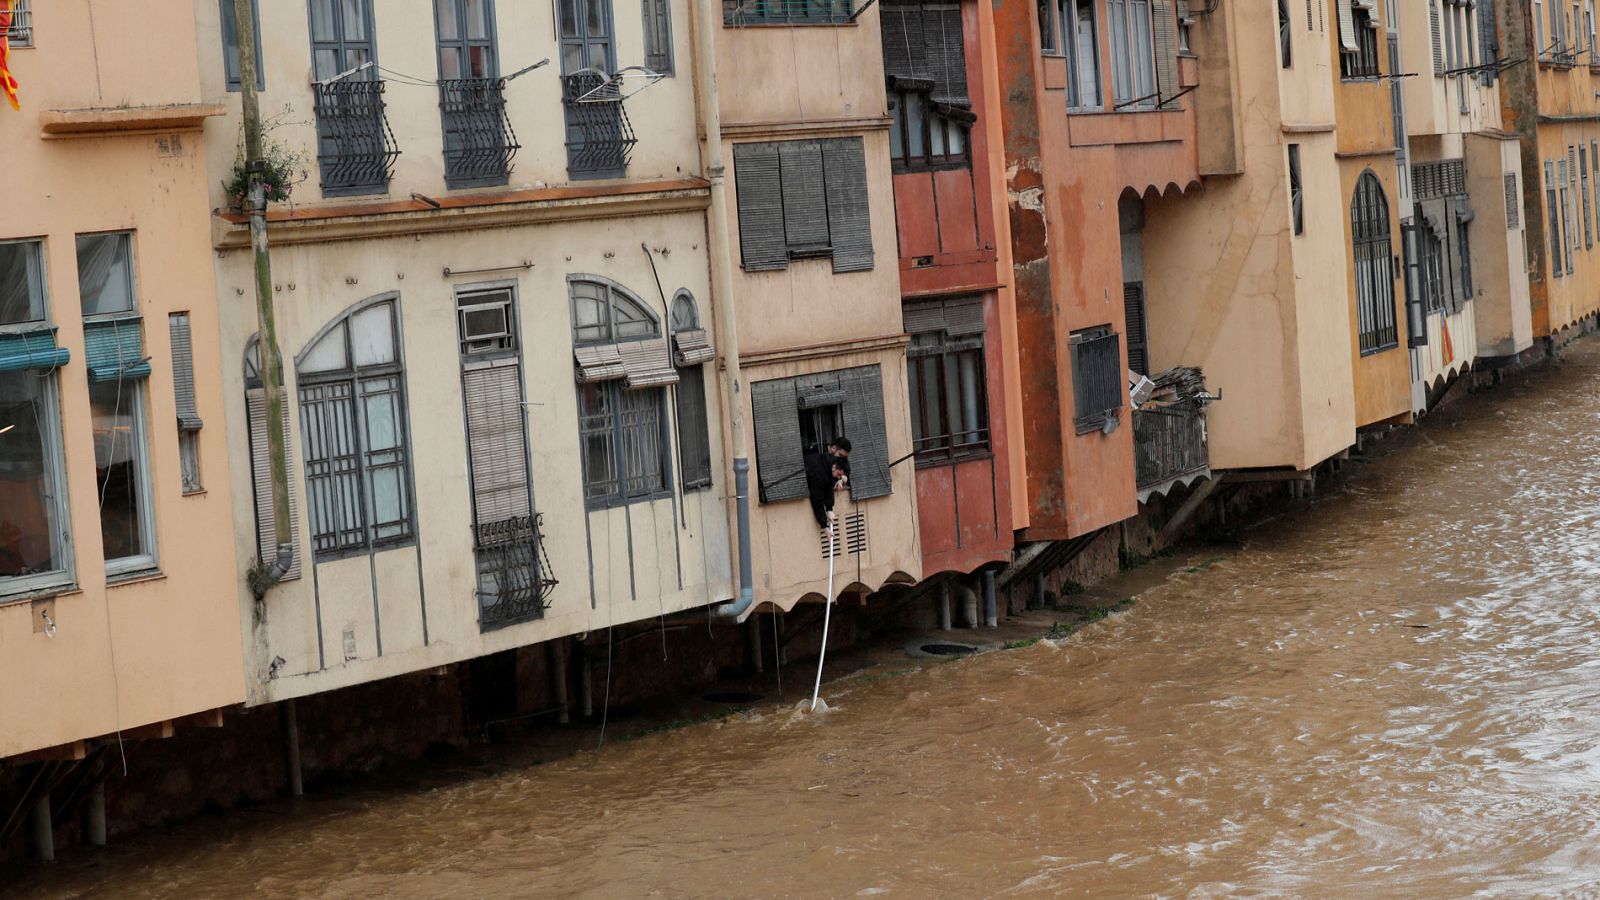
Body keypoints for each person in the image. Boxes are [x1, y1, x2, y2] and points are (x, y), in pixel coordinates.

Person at [804, 436, 852, 530]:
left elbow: (845, 471)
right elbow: (818, 494)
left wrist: (841, 480)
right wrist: (824, 524)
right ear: (834, 448)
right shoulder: (817, 454)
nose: (842, 459)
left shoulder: (837, 459)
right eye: (841, 455)